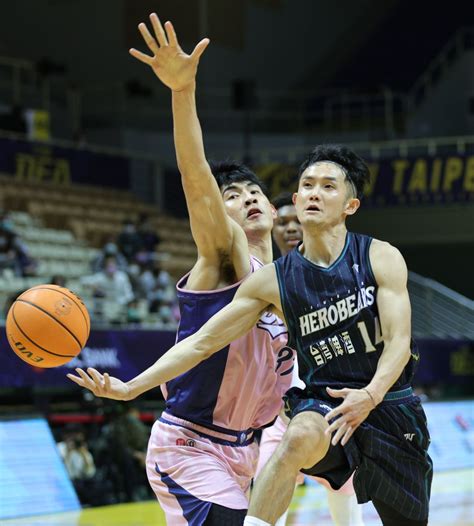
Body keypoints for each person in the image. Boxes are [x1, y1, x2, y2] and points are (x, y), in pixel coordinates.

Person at [69, 144, 433, 526]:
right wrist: (131, 388)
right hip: (324, 408)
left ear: (350, 206)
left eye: (328, 186)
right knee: (298, 436)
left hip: (389, 405)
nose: (314, 192)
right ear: (292, 200)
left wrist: (371, 395)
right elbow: (201, 342)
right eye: (307, 185)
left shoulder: (380, 257)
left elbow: (399, 342)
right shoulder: (272, 282)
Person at [72, 14, 294, 526]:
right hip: (191, 447)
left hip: (249, 450)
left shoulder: (287, 279)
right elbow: (196, 178)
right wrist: (182, 92)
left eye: (254, 191)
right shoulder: (225, 253)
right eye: (232, 196)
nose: (247, 200)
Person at [256, 192, 364, 526]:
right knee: (265, 503)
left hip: (329, 410)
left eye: (297, 221)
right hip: (281, 415)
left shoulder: (336, 277)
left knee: (347, 512)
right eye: (283, 222)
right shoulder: (264, 280)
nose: (290, 227)